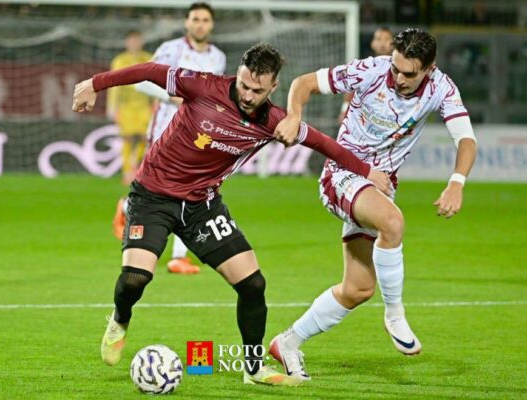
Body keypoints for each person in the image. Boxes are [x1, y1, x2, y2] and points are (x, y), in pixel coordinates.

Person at [72, 42, 391, 386]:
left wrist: (366, 171)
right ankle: (120, 319)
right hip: (153, 197)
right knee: (136, 278)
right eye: (244, 86)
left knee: (253, 284)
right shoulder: (202, 85)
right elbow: (149, 71)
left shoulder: (275, 121)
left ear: (273, 87)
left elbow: (324, 144)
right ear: (237, 73)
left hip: (202, 207)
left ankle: (253, 369)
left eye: (257, 90)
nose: (248, 95)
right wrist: (95, 84)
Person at [269, 28, 477, 381]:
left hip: (379, 187)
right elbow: (303, 83)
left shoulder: (442, 88)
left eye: (409, 73)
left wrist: (457, 182)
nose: (399, 78)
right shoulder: (370, 70)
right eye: (396, 68)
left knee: (358, 289)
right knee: (392, 223)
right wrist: (293, 115)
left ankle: (287, 342)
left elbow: (466, 139)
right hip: (341, 174)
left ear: (429, 69)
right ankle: (394, 314)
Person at [112, 2, 227, 274]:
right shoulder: (171, 49)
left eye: (205, 20)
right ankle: (127, 206)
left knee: (190, 187)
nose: (200, 24)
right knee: (157, 188)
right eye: (195, 19)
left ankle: (178, 256)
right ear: (187, 23)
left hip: (197, 133)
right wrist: (173, 96)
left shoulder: (218, 57)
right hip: (165, 129)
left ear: (211, 24)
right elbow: (143, 82)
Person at [106, 30, 152, 185]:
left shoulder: (148, 58)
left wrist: (156, 103)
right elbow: (114, 84)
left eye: (137, 40)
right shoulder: (120, 60)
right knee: (127, 139)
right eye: (132, 40)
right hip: (125, 106)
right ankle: (127, 172)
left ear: (141, 42)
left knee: (146, 138)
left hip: (144, 105)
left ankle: (135, 166)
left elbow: (156, 82)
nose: (134, 43)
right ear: (127, 43)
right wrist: (112, 107)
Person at [338, 27, 393, 125]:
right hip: (363, 119)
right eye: (379, 39)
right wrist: (344, 110)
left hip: (389, 120)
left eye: (387, 39)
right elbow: (350, 92)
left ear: (393, 43)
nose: (382, 43)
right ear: (372, 44)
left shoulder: (399, 69)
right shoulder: (363, 68)